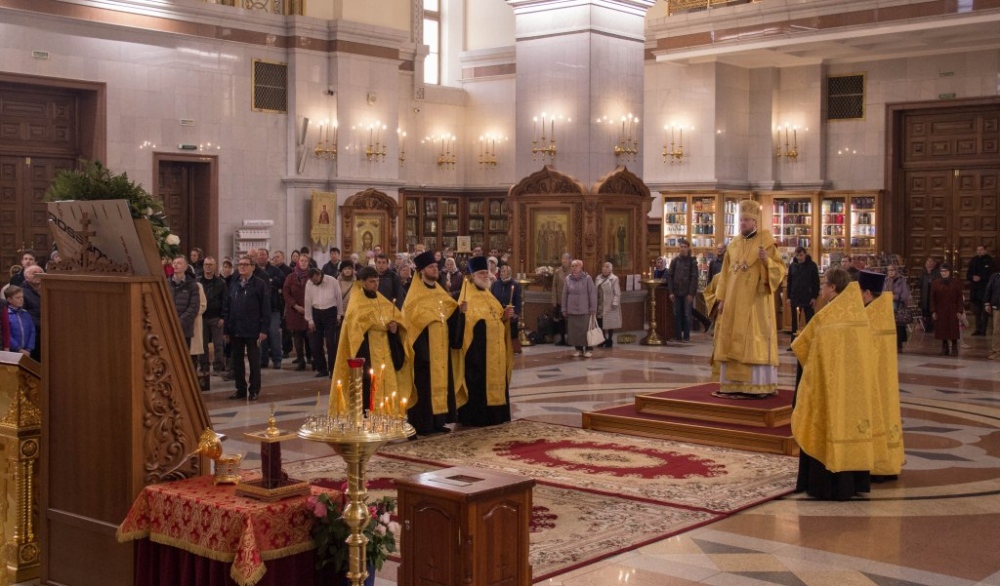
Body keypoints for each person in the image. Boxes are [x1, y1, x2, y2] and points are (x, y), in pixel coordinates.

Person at [791, 267, 878, 500]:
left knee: (829, 425)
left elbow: (804, 346)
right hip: (854, 388)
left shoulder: (828, 316)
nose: (821, 289)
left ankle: (827, 485)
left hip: (830, 386)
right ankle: (853, 483)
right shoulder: (857, 313)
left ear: (832, 287)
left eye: (823, 284)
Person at [711, 199, 786, 398]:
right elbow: (725, 274)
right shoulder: (733, 244)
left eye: (746, 220)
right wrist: (721, 299)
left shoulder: (766, 243)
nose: (742, 223)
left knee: (752, 340)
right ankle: (732, 385)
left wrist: (766, 261)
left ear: (754, 222)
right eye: (741, 220)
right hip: (733, 302)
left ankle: (757, 385)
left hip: (755, 303)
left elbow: (780, 270)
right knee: (731, 339)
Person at [330, 266, 411, 415]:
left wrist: (394, 327)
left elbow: (394, 318)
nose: (376, 284)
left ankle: (388, 417)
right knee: (369, 387)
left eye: (377, 281)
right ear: (362, 282)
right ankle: (370, 419)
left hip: (386, 352)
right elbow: (354, 332)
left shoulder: (382, 300)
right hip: (367, 352)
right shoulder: (356, 303)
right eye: (372, 281)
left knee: (387, 383)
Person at [403, 250, 460, 436]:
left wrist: (460, 311)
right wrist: (422, 352)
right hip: (424, 350)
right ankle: (422, 424)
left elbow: (450, 312)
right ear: (422, 271)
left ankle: (438, 421)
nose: (435, 269)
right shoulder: (414, 296)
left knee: (440, 384)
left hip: (440, 348)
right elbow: (412, 324)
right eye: (431, 267)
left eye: (436, 266)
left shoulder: (439, 291)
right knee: (424, 387)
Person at [455, 256, 514, 427]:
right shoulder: (467, 297)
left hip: (495, 351)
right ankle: (478, 418)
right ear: (472, 276)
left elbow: (497, 318)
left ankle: (497, 415)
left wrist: (505, 316)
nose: (485, 275)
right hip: (478, 354)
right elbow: (463, 324)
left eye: (486, 272)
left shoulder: (490, 296)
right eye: (481, 273)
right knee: (479, 383)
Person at [858, 270, 905, 482]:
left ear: (867, 293)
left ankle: (877, 464)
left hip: (874, 379)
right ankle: (887, 463)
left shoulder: (871, 315)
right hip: (884, 379)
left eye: (859, 292)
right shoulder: (882, 310)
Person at [222, 256, 269, 401]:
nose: (242, 267)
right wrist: (226, 330)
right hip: (235, 328)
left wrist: (264, 329)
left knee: (254, 361)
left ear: (252, 267)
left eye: (245, 264)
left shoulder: (259, 284)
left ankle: (254, 390)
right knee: (237, 361)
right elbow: (227, 306)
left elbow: (265, 308)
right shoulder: (234, 283)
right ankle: (240, 389)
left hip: (253, 329)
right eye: (240, 264)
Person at [304, 267, 343, 378]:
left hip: (331, 312)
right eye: (313, 281)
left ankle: (333, 369)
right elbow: (307, 301)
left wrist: (339, 314)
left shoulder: (332, 281)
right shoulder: (309, 284)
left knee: (331, 343)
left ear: (320, 275)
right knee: (315, 343)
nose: (315, 282)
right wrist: (309, 319)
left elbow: (339, 298)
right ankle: (322, 369)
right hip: (316, 312)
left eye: (316, 280)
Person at [562, 259, 597, 358]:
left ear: (581, 267)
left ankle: (589, 349)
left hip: (584, 310)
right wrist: (564, 308)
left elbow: (592, 294)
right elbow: (564, 295)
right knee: (575, 332)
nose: (574, 268)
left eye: (576, 266)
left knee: (586, 331)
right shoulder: (568, 279)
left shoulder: (587, 278)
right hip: (572, 310)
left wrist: (593, 308)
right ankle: (579, 349)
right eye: (572, 266)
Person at [198, 257, 228, 375]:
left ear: (215, 266)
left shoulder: (221, 283)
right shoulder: (198, 282)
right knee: (202, 344)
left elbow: (225, 300)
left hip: (216, 317)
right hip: (201, 317)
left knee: (218, 344)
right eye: (206, 264)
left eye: (210, 264)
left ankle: (218, 366)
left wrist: (223, 317)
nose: (208, 267)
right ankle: (204, 366)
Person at [283, 253, 312, 371]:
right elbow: (286, 293)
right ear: (298, 262)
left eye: (305, 261)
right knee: (298, 337)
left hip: (309, 310)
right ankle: (300, 360)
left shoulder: (312, 276)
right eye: (301, 261)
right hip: (295, 311)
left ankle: (311, 357)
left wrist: (308, 307)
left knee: (310, 336)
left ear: (308, 263)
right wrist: (295, 305)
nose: (303, 263)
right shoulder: (291, 277)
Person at [668, 238, 698, 343]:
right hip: (676, 292)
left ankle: (686, 336)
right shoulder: (675, 261)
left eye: (685, 247)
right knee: (677, 314)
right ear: (679, 248)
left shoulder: (692, 261)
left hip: (687, 293)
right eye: (681, 247)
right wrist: (671, 292)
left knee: (686, 314)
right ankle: (677, 336)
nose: (683, 249)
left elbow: (694, 278)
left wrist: (691, 293)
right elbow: (670, 276)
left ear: (688, 248)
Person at [786, 246, 819, 342]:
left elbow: (816, 282)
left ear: (805, 254)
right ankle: (794, 343)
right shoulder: (792, 266)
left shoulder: (812, 265)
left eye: (801, 255)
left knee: (810, 320)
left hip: (808, 297)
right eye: (797, 255)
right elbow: (789, 282)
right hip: (795, 297)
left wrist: (814, 297)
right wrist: (788, 297)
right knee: (795, 322)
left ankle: (811, 342)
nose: (799, 257)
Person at [931, 263, 964, 356]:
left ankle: (954, 348)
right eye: (942, 271)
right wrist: (933, 311)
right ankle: (944, 347)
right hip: (940, 309)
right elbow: (932, 298)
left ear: (950, 272)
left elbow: (960, 297)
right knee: (942, 328)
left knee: (953, 329)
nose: (943, 273)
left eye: (945, 271)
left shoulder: (956, 282)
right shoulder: (936, 283)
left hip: (953, 309)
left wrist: (959, 310)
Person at [168, 256, 200, 349]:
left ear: (185, 267)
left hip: (185, 328)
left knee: (184, 353)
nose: (175, 265)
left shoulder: (192, 285)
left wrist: (179, 322)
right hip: (169, 327)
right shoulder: (166, 283)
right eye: (174, 263)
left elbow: (194, 307)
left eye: (179, 263)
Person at [490, 264, 523, 354]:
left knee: (511, 333)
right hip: (498, 313)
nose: (502, 273)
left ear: (509, 273)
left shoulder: (515, 285)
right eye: (501, 271)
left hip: (510, 313)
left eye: (504, 271)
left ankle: (513, 349)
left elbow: (518, 300)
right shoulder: (496, 284)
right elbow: (491, 298)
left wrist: (516, 313)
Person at [967, 245, 996, 336]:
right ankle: (977, 329)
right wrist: (972, 277)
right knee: (977, 311)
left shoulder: (990, 261)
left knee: (985, 311)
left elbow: (992, 275)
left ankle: (983, 330)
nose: (979, 251)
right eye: (978, 250)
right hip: (975, 289)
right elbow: (968, 274)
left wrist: (981, 278)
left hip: (985, 289)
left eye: (981, 250)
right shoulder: (973, 260)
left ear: (985, 250)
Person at [883, 264, 911, 352]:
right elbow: (882, 291)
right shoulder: (886, 280)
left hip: (898, 306)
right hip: (887, 306)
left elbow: (905, 295)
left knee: (898, 327)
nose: (890, 272)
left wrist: (895, 297)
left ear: (896, 271)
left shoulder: (901, 281)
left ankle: (899, 346)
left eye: (892, 270)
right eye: (889, 270)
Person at [594, 261, 621, 348]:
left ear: (610, 269)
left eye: (607, 267)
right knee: (600, 322)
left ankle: (610, 339)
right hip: (600, 304)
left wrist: (615, 302)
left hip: (610, 304)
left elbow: (617, 292)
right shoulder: (598, 278)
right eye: (603, 267)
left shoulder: (614, 278)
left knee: (610, 323)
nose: (605, 269)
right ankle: (603, 339)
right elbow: (595, 290)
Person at [5, 286, 34, 357]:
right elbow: (6, 334)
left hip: (27, 351)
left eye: (22, 297)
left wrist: (29, 348)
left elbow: (32, 331)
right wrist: (18, 349)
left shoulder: (26, 314)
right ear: (9, 300)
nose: (21, 300)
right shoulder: (6, 315)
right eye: (17, 298)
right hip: (13, 351)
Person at [551, 253, 572, 345]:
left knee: (569, 321)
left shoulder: (573, 271)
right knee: (561, 320)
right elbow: (554, 286)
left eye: (566, 259)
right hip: (560, 299)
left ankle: (570, 339)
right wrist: (554, 300)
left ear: (570, 260)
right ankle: (562, 339)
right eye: (563, 259)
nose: (564, 260)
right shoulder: (558, 271)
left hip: (570, 300)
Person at [917, 256, 940, 333]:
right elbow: (919, 283)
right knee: (925, 310)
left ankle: (933, 326)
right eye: (928, 262)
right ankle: (926, 325)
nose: (929, 263)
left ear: (935, 263)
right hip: (924, 295)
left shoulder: (937, 272)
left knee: (933, 310)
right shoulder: (923, 272)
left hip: (933, 295)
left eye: (931, 262)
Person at [984, 269, 1000, 360]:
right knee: (997, 330)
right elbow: (988, 289)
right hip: (997, 307)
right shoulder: (995, 276)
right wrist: (987, 303)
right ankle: (996, 351)